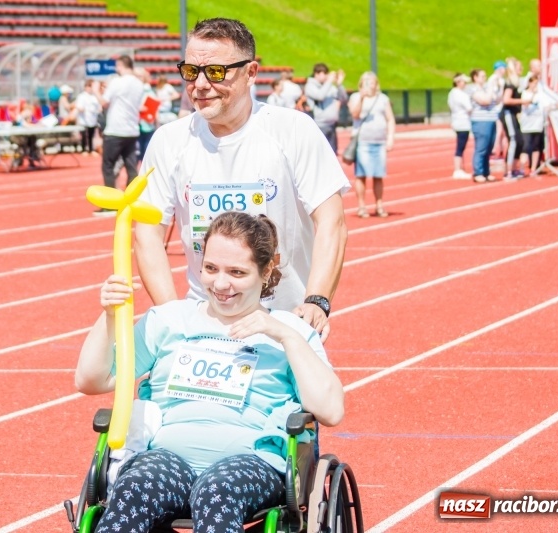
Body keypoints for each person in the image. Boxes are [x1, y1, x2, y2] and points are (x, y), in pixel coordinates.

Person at [77, 211, 345, 533]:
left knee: (216, 491)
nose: (220, 284)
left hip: (251, 464)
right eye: (211, 268)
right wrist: (108, 316)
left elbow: (331, 411)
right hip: (166, 458)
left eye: (237, 272)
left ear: (266, 272)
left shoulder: (289, 329)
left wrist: (285, 336)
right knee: (135, 486)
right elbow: (91, 379)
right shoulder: (169, 320)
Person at [134, 18, 350, 341]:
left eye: (216, 72)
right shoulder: (169, 141)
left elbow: (332, 221)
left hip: (285, 323)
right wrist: (172, 316)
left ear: (250, 73)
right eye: (191, 71)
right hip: (203, 327)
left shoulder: (293, 130)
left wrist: (316, 301)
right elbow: (147, 232)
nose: (200, 84)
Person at [92, 55, 144, 216]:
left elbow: (104, 102)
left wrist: (96, 91)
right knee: (131, 166)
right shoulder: (139, 83)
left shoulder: (117, 82)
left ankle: (110, 204)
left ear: (120, 65)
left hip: (115, 129)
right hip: (132, 130)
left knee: (108, 166)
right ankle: (132, 200)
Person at [347, 71, 396, 218]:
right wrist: (362, 98)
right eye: (366, 81)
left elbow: (390, 119)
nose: (369, 84)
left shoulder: (383, 99)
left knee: (378, 175)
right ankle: (361, 206)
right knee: (361, 175)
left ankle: (379, 205)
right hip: (362, 141)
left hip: (379, 142)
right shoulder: (355, 97)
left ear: (376, 84)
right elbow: (355, 114)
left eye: (372, 81)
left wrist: (390, 138)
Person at [304, 63, 348, 154]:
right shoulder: (310, 86)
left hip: (332, 125)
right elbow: (320, 96)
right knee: (320, 154)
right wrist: (329, 81)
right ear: (316, 74)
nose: (326, 76)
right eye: (324, 73)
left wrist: (339, 84)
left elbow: (343, 99)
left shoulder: (330, 87)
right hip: (319, 125)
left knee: (332, 154)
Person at [469, 68, 500, 183]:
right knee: (481, 148)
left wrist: (497, 87)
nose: (485, 78)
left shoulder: (487, 88)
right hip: (481, 121)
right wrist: (491, 87)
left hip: (491, 119)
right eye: (482, 76)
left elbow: (497, 100)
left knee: (488, 148)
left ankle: (486, 172)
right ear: (475, 78)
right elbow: (485, 101)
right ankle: (478, 172)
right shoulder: (473, 89)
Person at [500, 58, 529, 179]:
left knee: (520, 141)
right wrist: (522, 101)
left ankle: (515, 168)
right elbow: (506, 100)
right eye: (519, 67)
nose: (522, 69)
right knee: (513, 140)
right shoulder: (510, 83)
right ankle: (508, 171)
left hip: (513, 114)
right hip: (508, 114)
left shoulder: (517, 82)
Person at [447, 72, 473, 179]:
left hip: (457, 121)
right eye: (463, 82)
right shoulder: (460, 94)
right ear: (458, 82)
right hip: (463, 122)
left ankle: (459, 168)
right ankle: (457, 169)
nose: (465, 84)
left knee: (460, 145)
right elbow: (469, 108)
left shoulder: (452, 93)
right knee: (461, 146)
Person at [74, 79, 102, 156]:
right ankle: (84, 149)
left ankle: (91, 149)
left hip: (93, 119)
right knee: (84, 135)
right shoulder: (82, 96)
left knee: (91, 135)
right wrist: (81, 109)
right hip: (84, 120)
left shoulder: (94, 97)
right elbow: (78, 106)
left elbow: (99, 106)